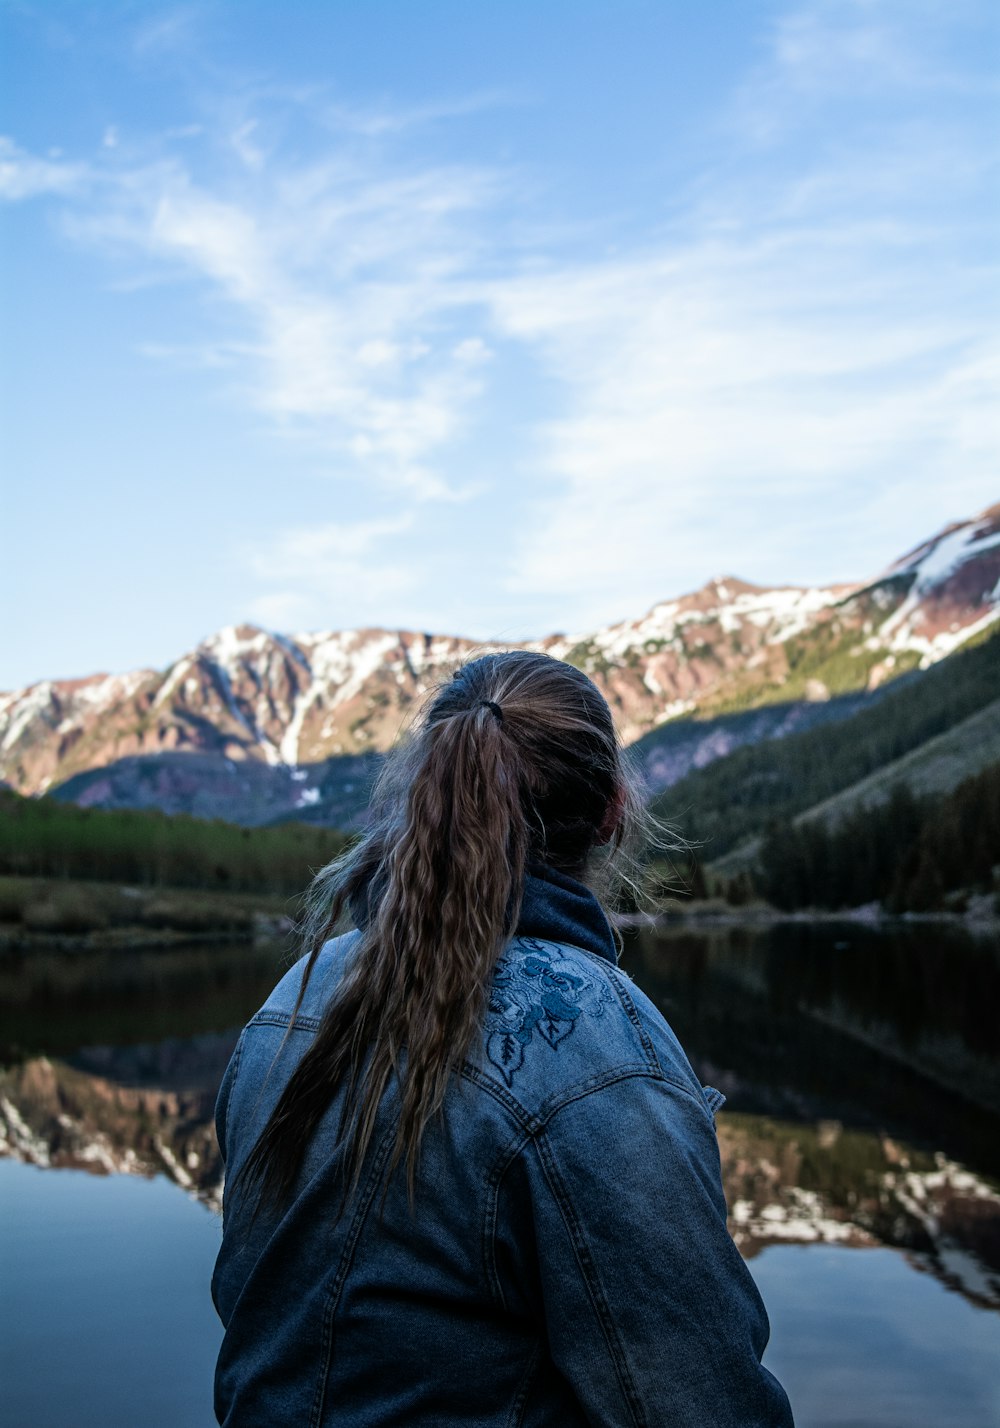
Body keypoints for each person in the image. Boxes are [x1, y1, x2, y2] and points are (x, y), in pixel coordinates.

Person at [212, 650, 794, 1427]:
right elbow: (704, 1404)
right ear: (614, 812)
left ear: (428, 796)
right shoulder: (599, 1043)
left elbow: (250, 1307)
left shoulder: (295, 999)